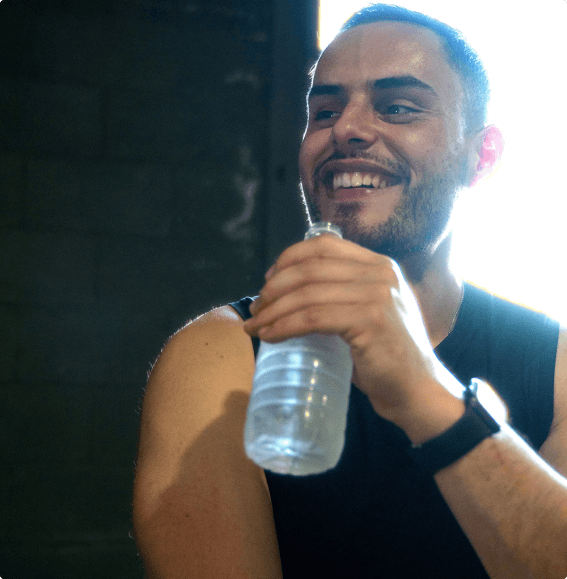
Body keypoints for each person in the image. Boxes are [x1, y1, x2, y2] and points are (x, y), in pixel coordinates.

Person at [132, 4, 567, 578]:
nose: (348, 129)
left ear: (480, 156)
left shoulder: (554, 363)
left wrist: (421, 391)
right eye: (324, 111)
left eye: (398, 107)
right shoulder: (221, 359)